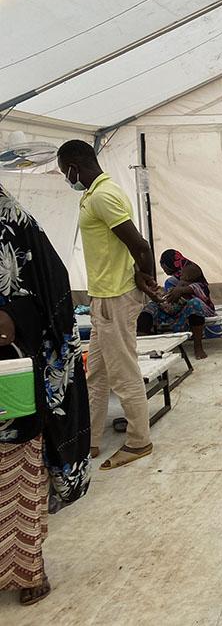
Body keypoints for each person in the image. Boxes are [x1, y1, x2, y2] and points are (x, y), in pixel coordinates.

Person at [0, 185, 91, 606]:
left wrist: (12, 316)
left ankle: (26, 569)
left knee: (16, 475)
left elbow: (48, 290)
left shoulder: (11, 224)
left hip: (8, 380)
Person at [58, 140, 158, 470]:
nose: (66, 179)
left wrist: (145, 276)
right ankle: (91, 440)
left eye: (64, 173)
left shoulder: (103, 195)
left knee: (123, 373)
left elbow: (140, 245)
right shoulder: (97, 193)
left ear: (74, 167)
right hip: (103, 297)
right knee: (96, 374)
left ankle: (139, 441)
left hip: (114, 298)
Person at [137, 249, 216, 359]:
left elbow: (201, 289)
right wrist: (159, 295)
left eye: (163, 265)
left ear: (171, 263)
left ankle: (198, 347)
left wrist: (181, 291)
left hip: (198, 309)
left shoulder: (192, 270)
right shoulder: (171, 281)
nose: (163, 269)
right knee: (151, 307)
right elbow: (171, 298)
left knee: (194, 303)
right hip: (177, 309)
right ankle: (141, 347)